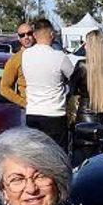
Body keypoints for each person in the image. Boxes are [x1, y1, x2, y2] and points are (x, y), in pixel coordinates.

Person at [19, 18, 75, 146]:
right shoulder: (59, 57)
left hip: (33, 112)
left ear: (34, 35)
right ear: (51, 34)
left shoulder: (26, 55)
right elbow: (73, 76)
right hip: (54, 114)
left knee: (35, 155)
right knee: (56, 156)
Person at [69, 28, 103, 148]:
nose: (84, 47)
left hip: (85, 121)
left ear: (92, 47)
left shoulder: (82, 66)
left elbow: (71, 90)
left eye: (87, 44)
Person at [0, 23, 36, 110]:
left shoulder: (45, 53)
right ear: (19, 38)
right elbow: (4, 88)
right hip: (30, 110)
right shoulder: (15, 60)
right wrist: (24, 103)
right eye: (22, 35)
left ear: (34, 34)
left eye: (29, 33)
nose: (26, 37)